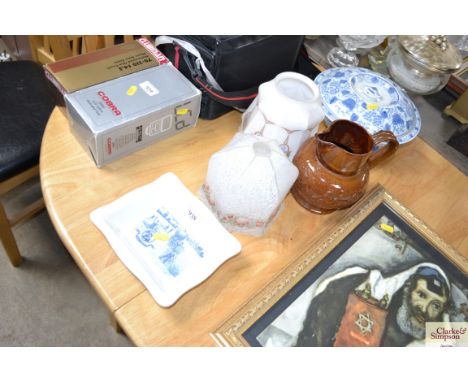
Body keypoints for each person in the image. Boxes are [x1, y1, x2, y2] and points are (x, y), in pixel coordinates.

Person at [295, 262, 451, 346]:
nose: (424, 309)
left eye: (436, 305)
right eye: (421, 295)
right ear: (407, 288)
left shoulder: (423, 344)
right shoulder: (357, 285)